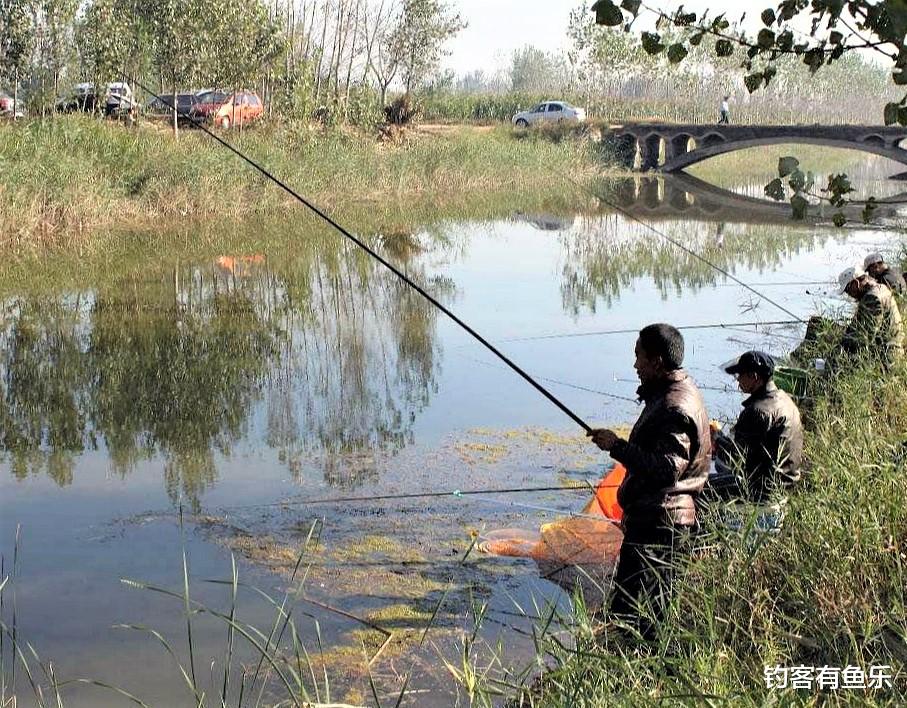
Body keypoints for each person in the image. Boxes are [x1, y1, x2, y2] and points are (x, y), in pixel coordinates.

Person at [588, 323, 711, 638]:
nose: (635, 365)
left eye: (639, 357)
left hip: (660, 527)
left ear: (656, 361)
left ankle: (637, 677)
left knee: (638, 619)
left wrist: (617, 447)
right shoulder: (671, 394)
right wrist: (615, 444)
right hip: (656, 522)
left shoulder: (675, 406)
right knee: (636, 616)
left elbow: (666, 470)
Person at [712, 351, 803, 531]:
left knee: (700, 485)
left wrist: (716, 437)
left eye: (740, 376)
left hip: (762, 491)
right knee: (719, 469)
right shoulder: (784, 399)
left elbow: (736, 459)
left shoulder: (757, 411)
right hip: (784, 483)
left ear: (754, 377)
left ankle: (698, 538)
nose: (737, 381)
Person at [832, 265, 904, 369]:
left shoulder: (872, 297)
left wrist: (843, 346)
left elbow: (866, 336)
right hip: (891, 350)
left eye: (848, 290)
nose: (849, 294)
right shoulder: (880, 288)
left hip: (887, 358)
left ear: (856, 283)